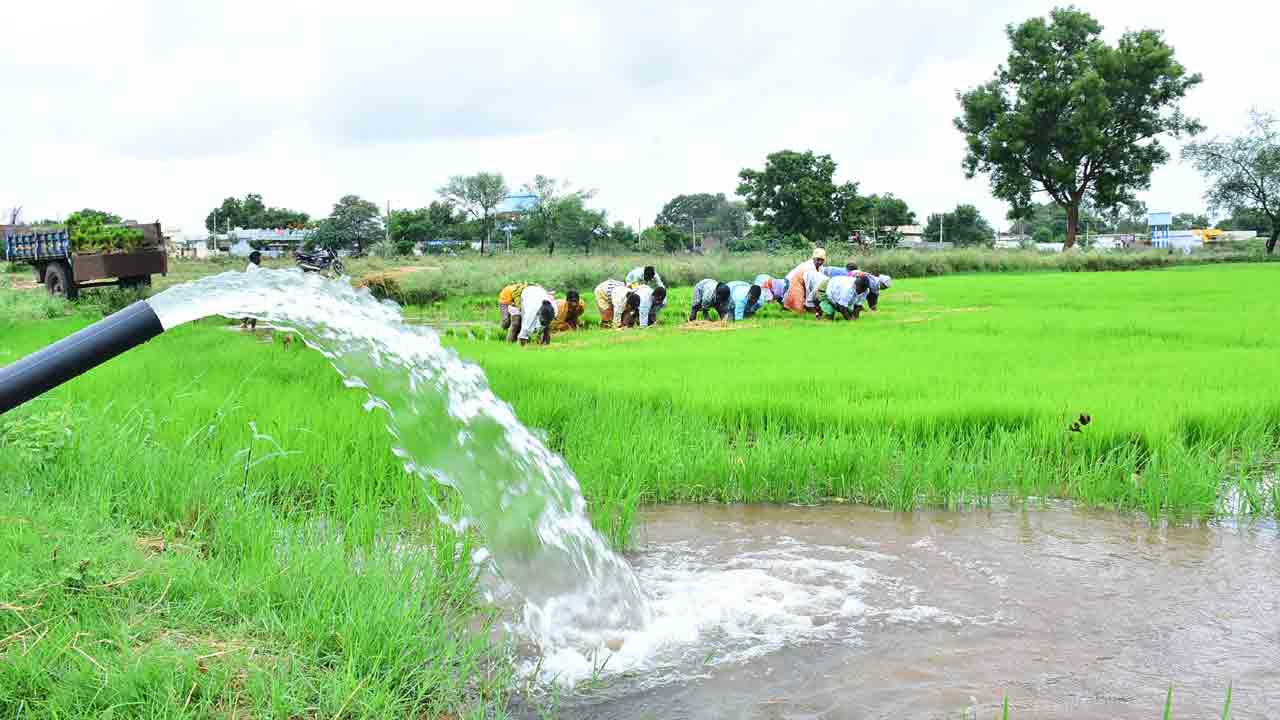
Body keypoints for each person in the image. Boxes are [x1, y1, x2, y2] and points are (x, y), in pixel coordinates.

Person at [782, 247, 826, 313]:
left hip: (803, 282)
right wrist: (809, 302)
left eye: (822, 260)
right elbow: (809, 287)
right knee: (797, 308)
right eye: (818, 259)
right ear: (813, 258)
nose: (820, 262)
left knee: (802, 305)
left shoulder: (821, 268)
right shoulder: (808, 267)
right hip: (794, 280)